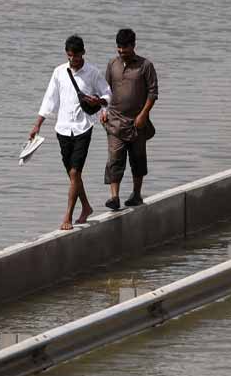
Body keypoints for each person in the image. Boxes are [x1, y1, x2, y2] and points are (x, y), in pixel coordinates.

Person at [30, 34, 111, 230]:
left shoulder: (93, 73)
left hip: (84, 127)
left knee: (75, 172)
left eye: (75, 56)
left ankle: (68, 216)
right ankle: (86, 207)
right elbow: (50, 100)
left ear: (83, 53)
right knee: (72, 175)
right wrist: (37, 125)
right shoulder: (59, 72)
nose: (72, 60)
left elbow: (108, 93)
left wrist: (99, 102)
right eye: (69, 56)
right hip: (63, 129)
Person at [100, 28, 159, 209]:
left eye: (124, 48)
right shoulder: (112, 64)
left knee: (138, 159)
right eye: (118, 48)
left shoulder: (145, 66)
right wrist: (103, 111)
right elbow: (104, 91)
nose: (121, 52)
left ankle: (136, 194)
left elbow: (153, 93)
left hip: (137, 123)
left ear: (133, 46)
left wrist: (143, 115)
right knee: (115, 158)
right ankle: (114, 197)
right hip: (115, 121)